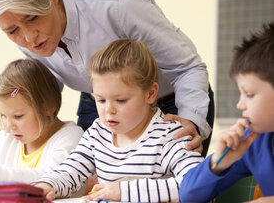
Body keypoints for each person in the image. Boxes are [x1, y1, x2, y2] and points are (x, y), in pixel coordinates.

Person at [0, 0, 215, 156]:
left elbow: (188, 68)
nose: (29, 38)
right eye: (12, 30)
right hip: (97, 102)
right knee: (90, 186)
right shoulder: (25, 36)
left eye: (32, 18)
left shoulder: (118, 3)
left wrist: (190, 119)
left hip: (174, 100)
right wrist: (13, 123)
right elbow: (45, 88)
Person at [34, 39, 204, 202]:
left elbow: (198, 185)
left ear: (150, 94)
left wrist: (123, 191)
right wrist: (48, 185)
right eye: (100, 100)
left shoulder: (171, 136)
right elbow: (71, 169)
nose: (109, 110)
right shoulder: (97, 132)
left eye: (121, 100)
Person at [179, 23, 274, 202]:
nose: (240, 104)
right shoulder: (253, 142)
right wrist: (218, 163)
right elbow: (188, 195)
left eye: (249, 94)